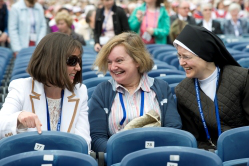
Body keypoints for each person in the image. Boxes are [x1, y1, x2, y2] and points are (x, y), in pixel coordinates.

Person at [89, 32, 182, 153]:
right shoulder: (103, 91)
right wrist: (126, 155)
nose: (113, 67)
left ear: (137, 60)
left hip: (156, 155)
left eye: (119, 60)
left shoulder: (161, 87)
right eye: (109, 62)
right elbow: (97, 138)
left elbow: (173, 129)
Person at [0, 32, 91, 150]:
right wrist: (18, 117)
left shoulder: (80, 91)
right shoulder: (21, 87)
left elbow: (84, 143)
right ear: (53, 60)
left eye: (79, 61)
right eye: (72, 61)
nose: (78, 68)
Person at [173, 24, 249, 150]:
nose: (181, 62)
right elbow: (194, 138)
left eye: (186, 56)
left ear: (205, 55)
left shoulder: (242, 78)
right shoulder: (182, 91)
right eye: (179, 56)